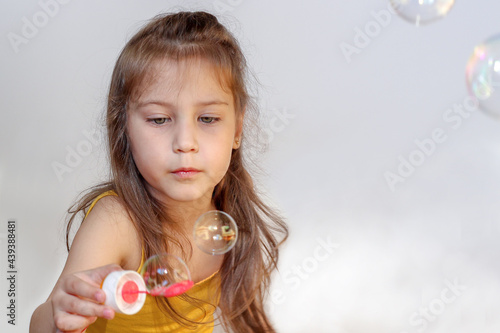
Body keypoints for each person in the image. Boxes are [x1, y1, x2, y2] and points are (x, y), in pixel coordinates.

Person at [29, 10, 288, 333]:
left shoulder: (228, 216)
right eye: (159, 119)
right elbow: (44, 322)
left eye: (207, 119)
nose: (185, 143)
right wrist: (59, 316)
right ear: (124, 128)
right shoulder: (118, 222)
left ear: (238, 128)